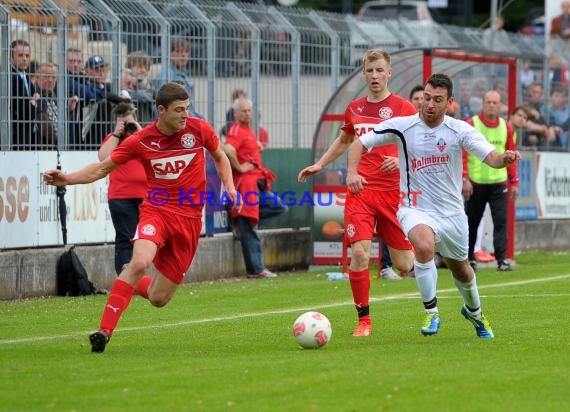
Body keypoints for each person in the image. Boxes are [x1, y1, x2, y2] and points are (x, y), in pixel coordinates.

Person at [43, 82, 238, 353]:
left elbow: (220, 157)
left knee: (158, 298)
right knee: (140, 261)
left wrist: (229, 187)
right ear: (161, 110)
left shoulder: (199, 129)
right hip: (156, 211)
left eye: (187, 109)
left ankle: (130, 283)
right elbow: (102, 168)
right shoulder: (142, 140)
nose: (185, 115)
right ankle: (104, 331)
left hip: (190, 220)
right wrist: (68, 178)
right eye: (179, 110)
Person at [347, 73, 521, 338]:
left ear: (449, 102)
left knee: (461, 268)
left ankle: (475, 312)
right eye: (426, 98)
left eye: (437, 100)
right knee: (424, 246)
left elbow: (492, 158)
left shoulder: (459, 130)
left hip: (451, 213)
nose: (429, 104)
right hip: (413, 207)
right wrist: (351, 173)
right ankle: (431, 312)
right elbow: (359, 142)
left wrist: (504, 158)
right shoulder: (403, 125)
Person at [298, 49, 416, 337]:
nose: (374, 76)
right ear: (364, 73)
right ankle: (364, 320)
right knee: (360, 254)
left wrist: (400, 161)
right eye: (369, 70)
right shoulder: (355, 108)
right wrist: (320, 163)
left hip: (392, 193)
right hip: (360, 190)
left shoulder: (403, 108)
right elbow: (344, 139)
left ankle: (422, 247)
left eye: (379, 70)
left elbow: (419, 144)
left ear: (389, 73)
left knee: (404, 265)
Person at [223, 97, 287, 279]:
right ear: (235, 113)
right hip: (245, 186)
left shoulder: (248, 130)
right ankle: (256, 269)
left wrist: (255, 148)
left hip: (256, 184)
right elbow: (227, 149)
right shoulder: (236, 129)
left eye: (249, 110)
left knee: (279, 207)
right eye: (243, 111)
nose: (247, 114)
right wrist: (240, 167)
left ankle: (239, 225)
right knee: (249, 224)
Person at [463, 90, 519, 272]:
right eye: (488, 102)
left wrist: (514, 181)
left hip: (498, 182)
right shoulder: (472, 124)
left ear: (501, 105)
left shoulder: (506, 127)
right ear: (483, 103)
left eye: (495, 103)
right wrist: (465, 178)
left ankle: (501, 260)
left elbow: (510, 155)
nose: (492, 106)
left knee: (501, 221)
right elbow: (462, 153)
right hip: (476, 182)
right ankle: (469, 258)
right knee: (472, 222)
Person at [98, 102, 146, 275]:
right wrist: (117, 134)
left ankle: (133, 274)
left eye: (129, 121)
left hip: (144, 197)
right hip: (121, 196)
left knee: (143, 237)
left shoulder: (142, 137)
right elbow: (103, 158)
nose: (127, 126)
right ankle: (126, 275)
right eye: (123, 122)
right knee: (126, 237)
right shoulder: (113, 138)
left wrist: (138, 130)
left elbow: (154, 153)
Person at [154, 39, 201, 118]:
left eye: (186, 51)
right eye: (179, 51)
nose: (183, 55)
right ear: (171, 55)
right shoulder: (166, 75)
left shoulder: (184, 74)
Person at [10, 39, 36, 149]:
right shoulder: (10, 77)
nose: (24, 59)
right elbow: (24, 111)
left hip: (27, 136)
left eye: (27, 55)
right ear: (11, 57)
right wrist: (34, 103)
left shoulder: (25, 76)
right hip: (15, 136)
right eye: (20, 55)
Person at [125, 51, 156, 125]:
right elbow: (124, 96)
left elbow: (149, 97)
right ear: (129, 68)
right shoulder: (124, 82)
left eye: (146, 67)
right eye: (139, 67)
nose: (143, 70)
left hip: (145, 124)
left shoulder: (149, 83)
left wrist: (132, 93)